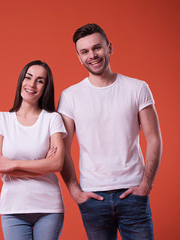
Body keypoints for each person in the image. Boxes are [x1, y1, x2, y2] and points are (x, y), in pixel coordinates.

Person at [57, 23, 162, 240]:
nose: (92, 55)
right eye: (84, 51)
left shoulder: (137, 88)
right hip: (93, 198)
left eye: (97, 48)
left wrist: (146, 184)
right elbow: (62, 150)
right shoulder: (70, 96)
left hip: (133, 193)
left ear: (109, 48)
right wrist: (75, 192)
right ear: (78, 56)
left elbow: (154, 138)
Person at [0, 60, 67, 240]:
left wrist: (13, 164)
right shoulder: (1, 120)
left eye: (40, 80)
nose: (31, 84)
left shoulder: (52, 119)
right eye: (28, 77)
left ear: (46, 87)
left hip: (49, 208)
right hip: (13, 208)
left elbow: (57, 163)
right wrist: (42, 166)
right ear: (21, 81)